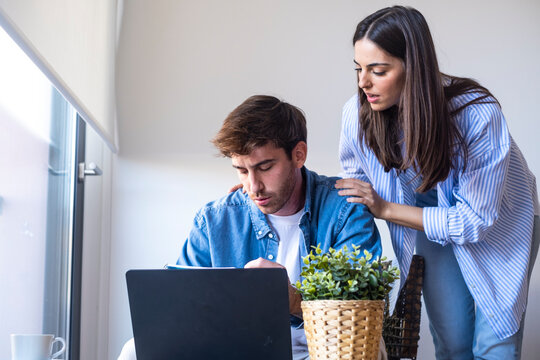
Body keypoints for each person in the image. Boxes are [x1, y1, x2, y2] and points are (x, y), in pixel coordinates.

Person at [335, 5, 539, 360]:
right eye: (359, 69)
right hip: (428, 220)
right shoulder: (357, 115)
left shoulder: (476, 114)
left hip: (503, 223)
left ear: (413, 67)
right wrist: (279, 191)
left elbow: (474, 221)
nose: (362, 82)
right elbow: (353, 187)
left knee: (496, 345)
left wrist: (385, 209)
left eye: (378, 70)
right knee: (453, 343)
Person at [118, 95, 382, 360]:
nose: (253, 187)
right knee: (132, 351)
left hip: (321, 349)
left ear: (298, 155)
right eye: (242, 171)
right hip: (233, 348)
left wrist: (294, 301)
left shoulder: (345, 211)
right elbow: (180, 309)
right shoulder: (215, 220)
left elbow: (359, 316)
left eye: (265, 167)